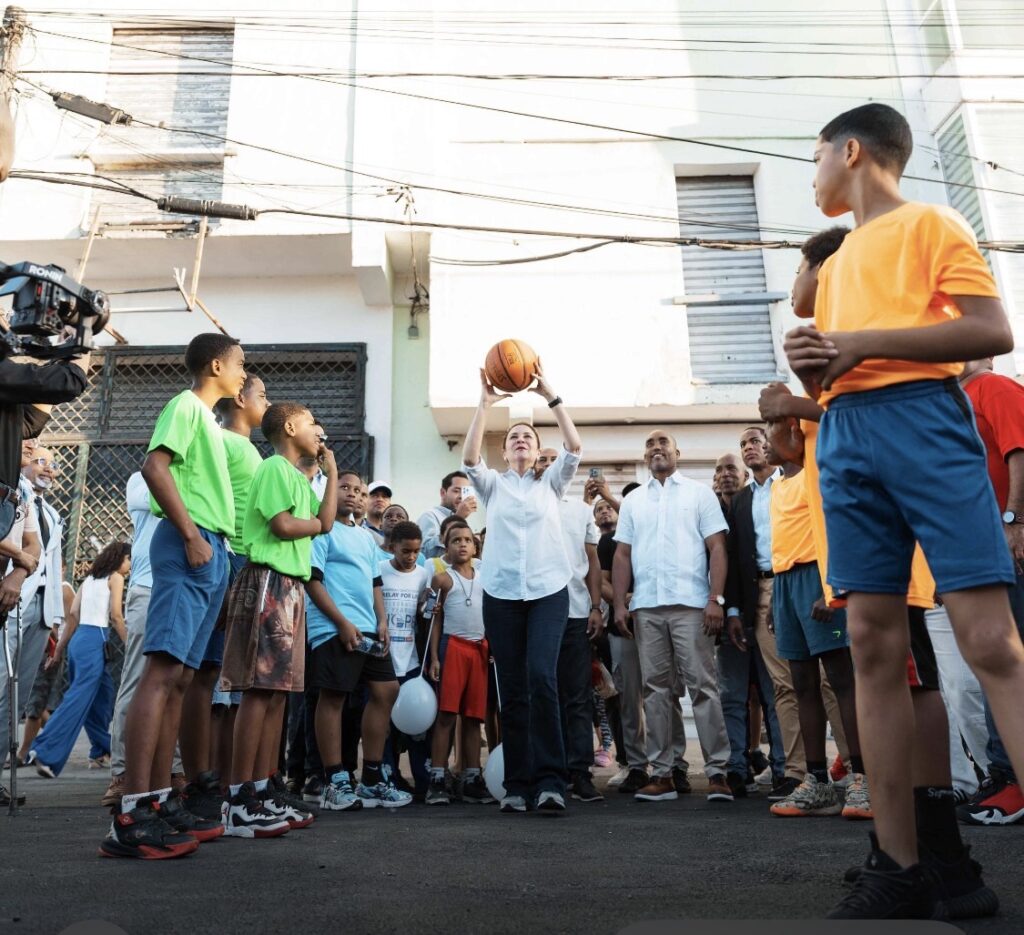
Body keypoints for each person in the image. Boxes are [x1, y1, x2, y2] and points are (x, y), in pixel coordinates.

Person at [783, 102, 1021, 919]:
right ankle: (900, 861)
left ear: (850, 152)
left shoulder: (930, 222)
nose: (812, 175)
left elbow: (990, 327)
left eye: (814, 157)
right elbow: (841, 368)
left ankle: (927, 855)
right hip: (847, 434)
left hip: (925, 418)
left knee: (991, 639)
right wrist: (813, 362)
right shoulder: (840, 260)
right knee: (871, 643)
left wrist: (860, 345)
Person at [764, 224, 989, 920]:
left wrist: (799, 402)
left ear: (827, 268)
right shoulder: (824, 336)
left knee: (912, 682)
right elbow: (795, 450)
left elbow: (866, 418)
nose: (795, 285)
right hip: (854, 558)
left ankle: (943, 858)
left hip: (897, 553)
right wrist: (787, 408)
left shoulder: (860, 319)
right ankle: (916, 852)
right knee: (889, 682)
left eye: (801, 268)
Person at [103, 333, 245, 860]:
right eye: (239, 365)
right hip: (189, 545)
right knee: (161, 675)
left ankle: (159, 798)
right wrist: (188, 534)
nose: (242, 374)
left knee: (182, 679)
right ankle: (132, 810)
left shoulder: (208, 422)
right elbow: (154, 467)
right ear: (215, 365)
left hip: (210, 547)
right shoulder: (186, 405)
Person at [462, 362, 582, 814]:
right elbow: (470, 459)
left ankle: (552, 780)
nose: (520, 441)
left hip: (549, 592)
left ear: (536, 451)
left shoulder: (552, 484)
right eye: (513, 437)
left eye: (528, 438)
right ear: (506, 448)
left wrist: (549, 392)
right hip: (502, 595)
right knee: (510, 688)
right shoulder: (493, 486)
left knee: (541, 679)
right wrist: (485, 403)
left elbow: (573, 446)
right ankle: (517, 784)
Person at [219, 402, 335, 836]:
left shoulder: (303, 479)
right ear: (289, 427)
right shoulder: (273, 469)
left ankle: (264, 787)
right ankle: (238, 797)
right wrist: (311, 526)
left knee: (278, 696)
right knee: (258, 691)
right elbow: (285, 526)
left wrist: (333, 467)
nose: (318, 429)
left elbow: (325, 521)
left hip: (292, 587)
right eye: (310, 422)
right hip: (268, 579)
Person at [612, 430, 735, 803]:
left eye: (663, 443)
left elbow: (717, 548)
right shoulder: (633, 501)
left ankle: (717, 773)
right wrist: (619, 604)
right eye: (650, 444)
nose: (656, 448)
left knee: (702, 687)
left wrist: (716, 599)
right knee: (655, 691)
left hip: (692, 605)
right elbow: (621, 556)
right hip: (647, 607)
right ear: (645, 456)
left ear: (677, 453)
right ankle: (662, 774)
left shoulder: (699, 494)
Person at [760, 418, 865, 819]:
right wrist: (774, 600)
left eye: (771, 432)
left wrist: (831, 587)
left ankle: (863, 777)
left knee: (840, 679)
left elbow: (836, 529)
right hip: (785, 583)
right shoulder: (777, 485)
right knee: (801, 681)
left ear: (794, 436)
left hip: (818, 577)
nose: (765, 440)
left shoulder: (815, 475)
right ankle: (818, 781)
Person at [178, 375, 271, 821]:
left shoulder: (251, 450)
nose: (266, 402)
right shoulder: (220, 440)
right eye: (262, 394)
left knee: (228, 683)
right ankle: (203, 779)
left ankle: (231, 782)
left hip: (246, 567)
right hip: (230, 563)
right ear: (240, 398)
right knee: (207, 677)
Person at [305, 470, 412, 810]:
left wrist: (382, 620)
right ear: (329, 491)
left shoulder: (367, 538)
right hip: (334, 627)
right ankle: (334, 780)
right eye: (346, 488)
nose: (354, 495)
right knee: (334, 697)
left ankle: (371, 780)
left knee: (387, 691)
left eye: (361, 492)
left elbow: (375, 583)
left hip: (368, 628)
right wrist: (340, 622)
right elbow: (312, 580)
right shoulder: (321, 530)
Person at [956, 357, 1024, 826]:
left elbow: (1019, 450)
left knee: (1008, 666)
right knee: (991, 668)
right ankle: (1003, 777)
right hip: (979, 555)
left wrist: (1015, 520)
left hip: (1007, 547)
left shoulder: (993, 386)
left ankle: (1012, 782)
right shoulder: (954, 399)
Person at [597, 487, 691, 795]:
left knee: (669, 696)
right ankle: (637, 766)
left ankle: (676, 766)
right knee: (628, 700)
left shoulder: (668, 536)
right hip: (623, 629)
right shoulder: (611, 542)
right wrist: (625, 602)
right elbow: (602, 583)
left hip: (664, 626)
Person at [103, 472, 184, 807]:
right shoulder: (141, 477)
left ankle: (174, 769)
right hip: (148, 589)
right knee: (137, 680)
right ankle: (123, 772)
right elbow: (162, 502)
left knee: (177, 682)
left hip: (184, 586)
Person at [535, 448, 604, 803]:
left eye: (553, 460)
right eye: (542, 461)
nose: (548, 465)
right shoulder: (527, 506)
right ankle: (550, 771)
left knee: (577, 696)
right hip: (536, 613)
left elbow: (592, 561)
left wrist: (595, 606)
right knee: (542, 694)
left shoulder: (580, 511)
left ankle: (580, 771)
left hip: (576, 613)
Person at [28, 542, 130, 776]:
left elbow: (73, 615)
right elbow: (116, 615)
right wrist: (131, 644)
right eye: (129, 560)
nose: (129, 566)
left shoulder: (89, 579)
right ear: (120, 558)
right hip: (95, 640)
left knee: (101, 699)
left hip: (79, 641)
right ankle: (44, 751)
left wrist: (58, 651)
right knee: (78, 699)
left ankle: (100, 750)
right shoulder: (115, 578)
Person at [0, 447, 64, 787]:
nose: (49, 470)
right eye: (41, 461)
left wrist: (55, 619)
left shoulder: (52, 514)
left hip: (40, 608)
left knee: (18, 696)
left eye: (53, 465)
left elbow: (53, 566)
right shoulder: (9, 493)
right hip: (10, 599)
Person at [426, 520, 493, 805]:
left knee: (474, 717)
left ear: (475, 546)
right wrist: (435, 658)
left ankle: (472, 777)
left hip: (478, 648)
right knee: (446, 715)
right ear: (446, 547)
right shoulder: (442, 579)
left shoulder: (486, 576)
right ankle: (438, 778)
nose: (463, 544)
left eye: (467, 539)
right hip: (452, 647)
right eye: (456, 540)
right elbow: (434, 621)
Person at [379, 519, 432, 797]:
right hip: (385, 663)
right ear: (391, 548)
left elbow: (427, 616)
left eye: (416, 551)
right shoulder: (379, 572)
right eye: (405, 551)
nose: (411, 557)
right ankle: (388, 777)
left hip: (412, 664)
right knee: (384, 726)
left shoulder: (423, 575)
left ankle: (424, 781)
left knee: (417, 728)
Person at [18, 570, 74, 766]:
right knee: (32, 701)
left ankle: (23, 753)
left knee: (36, 703)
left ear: (63, 569)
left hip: (50, 649)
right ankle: (53, 741)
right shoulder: (44, 589)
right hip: (39, 647)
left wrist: (57, 649)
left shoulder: (64, 590)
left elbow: (72, 621)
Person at [418, 471, 477, 559]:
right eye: (456, 491)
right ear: (443, 492)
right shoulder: (430, 516)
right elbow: (425, 554)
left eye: (465, 492)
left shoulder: (464, 521)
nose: (461, 497)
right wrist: (458, 518)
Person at [363, 481, 391, 545]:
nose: (380, 499)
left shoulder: (396, 534)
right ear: (365, 501)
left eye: (384, 496)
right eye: (374, 496)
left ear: (390, 504)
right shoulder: (358, 528)